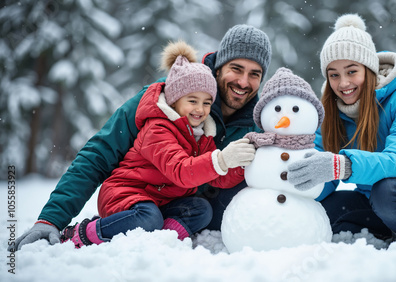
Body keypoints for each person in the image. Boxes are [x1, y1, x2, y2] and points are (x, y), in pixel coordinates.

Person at [12, 24, 272, 250]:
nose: (243, 81)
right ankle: (89, 233)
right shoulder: (165, 100)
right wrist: (50, 219)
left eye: (254, 74)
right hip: (135, 197)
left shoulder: (262, 120)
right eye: (236, 69)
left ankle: (161, 236)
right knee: (147, 215)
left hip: (184, 212)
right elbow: (99, 154)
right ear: (218, 66)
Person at [287, 14, 396, 244]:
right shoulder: (331, 112)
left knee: (388, 192)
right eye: (334, 75)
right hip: (375, 198)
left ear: (369, 69)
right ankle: (391, 229)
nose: (343, 83)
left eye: (352, 71)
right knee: (322, 211)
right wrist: (297, 186)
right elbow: (323, 176)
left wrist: (339, 166)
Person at [58, 41, 256, 247]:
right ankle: (84, 233)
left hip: (160, 202)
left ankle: (162, 239)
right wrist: (223, 159)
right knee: (148, 217)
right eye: (192, 100)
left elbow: (217, 178)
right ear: (174, 100)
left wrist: (243, 164)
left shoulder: (202, 135)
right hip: (126, 194)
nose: (200, 109)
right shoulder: (158, 129)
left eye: (207, 103)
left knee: (202, 209)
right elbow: (180, 170)